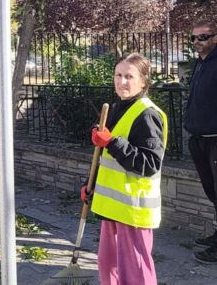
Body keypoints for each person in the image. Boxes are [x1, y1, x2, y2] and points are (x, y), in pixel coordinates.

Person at [81, 53, 167, 284]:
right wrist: (90, 184)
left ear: (143, 81)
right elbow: (106, 158)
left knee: (135, 273)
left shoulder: (147, 114)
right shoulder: (117, 109)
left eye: (129, 76)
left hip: (133, 210)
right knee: (108, 266)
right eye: (118, 75)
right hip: (113, 207)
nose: (122, 81)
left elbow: (149, 164)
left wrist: (112, 142)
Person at [183, 21, 217, 263]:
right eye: (193, 38)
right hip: (199, 138)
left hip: (215, 138)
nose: (196, 42)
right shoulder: (201, 63)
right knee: (212, 192)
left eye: (202, 37)